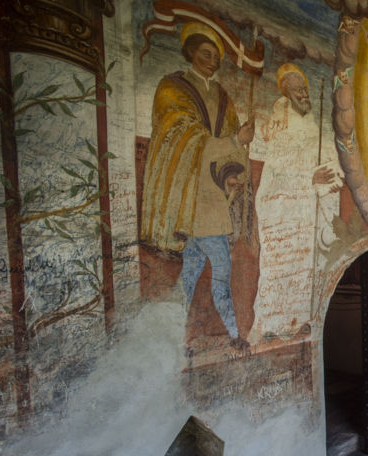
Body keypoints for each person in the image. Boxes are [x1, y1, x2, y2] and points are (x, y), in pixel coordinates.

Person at [140, 22, 253, 350]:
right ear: (190, 51)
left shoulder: (223, 96)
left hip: (214, 200)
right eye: (206, 54)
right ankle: (233, 336)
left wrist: (232, 172)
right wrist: (233, 140)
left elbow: (232, 152)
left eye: (217, 57)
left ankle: (174, 337)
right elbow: (183, 137)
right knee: (221, 277)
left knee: (189, 278)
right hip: (191, 201)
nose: (213, 61)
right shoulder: (171, 87)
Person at [247, 63, 340, 345]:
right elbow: (278, 167)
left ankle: (298, 320)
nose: (303, 93)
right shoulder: (281, 119)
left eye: (304, 88)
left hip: (305, 209)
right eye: (297, 88)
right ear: (285, 90)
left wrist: (329, 175)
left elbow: (324, 158)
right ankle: (269, 322)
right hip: (281, 208)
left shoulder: (310, 123)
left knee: (303, 266)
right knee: (278, 267)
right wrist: (309, 176)